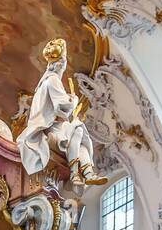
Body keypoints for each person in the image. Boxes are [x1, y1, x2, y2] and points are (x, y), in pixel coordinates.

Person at [17, 37, 106, 186]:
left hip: (49, 128)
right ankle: (74, 174)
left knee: (81, 141)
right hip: (43, 132)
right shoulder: (52, 80)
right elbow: (63, 107)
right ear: (60, 64)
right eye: (64, 62)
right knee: (77, 129)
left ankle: (88, 173)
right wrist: (74, 100)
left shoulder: (44, 83)